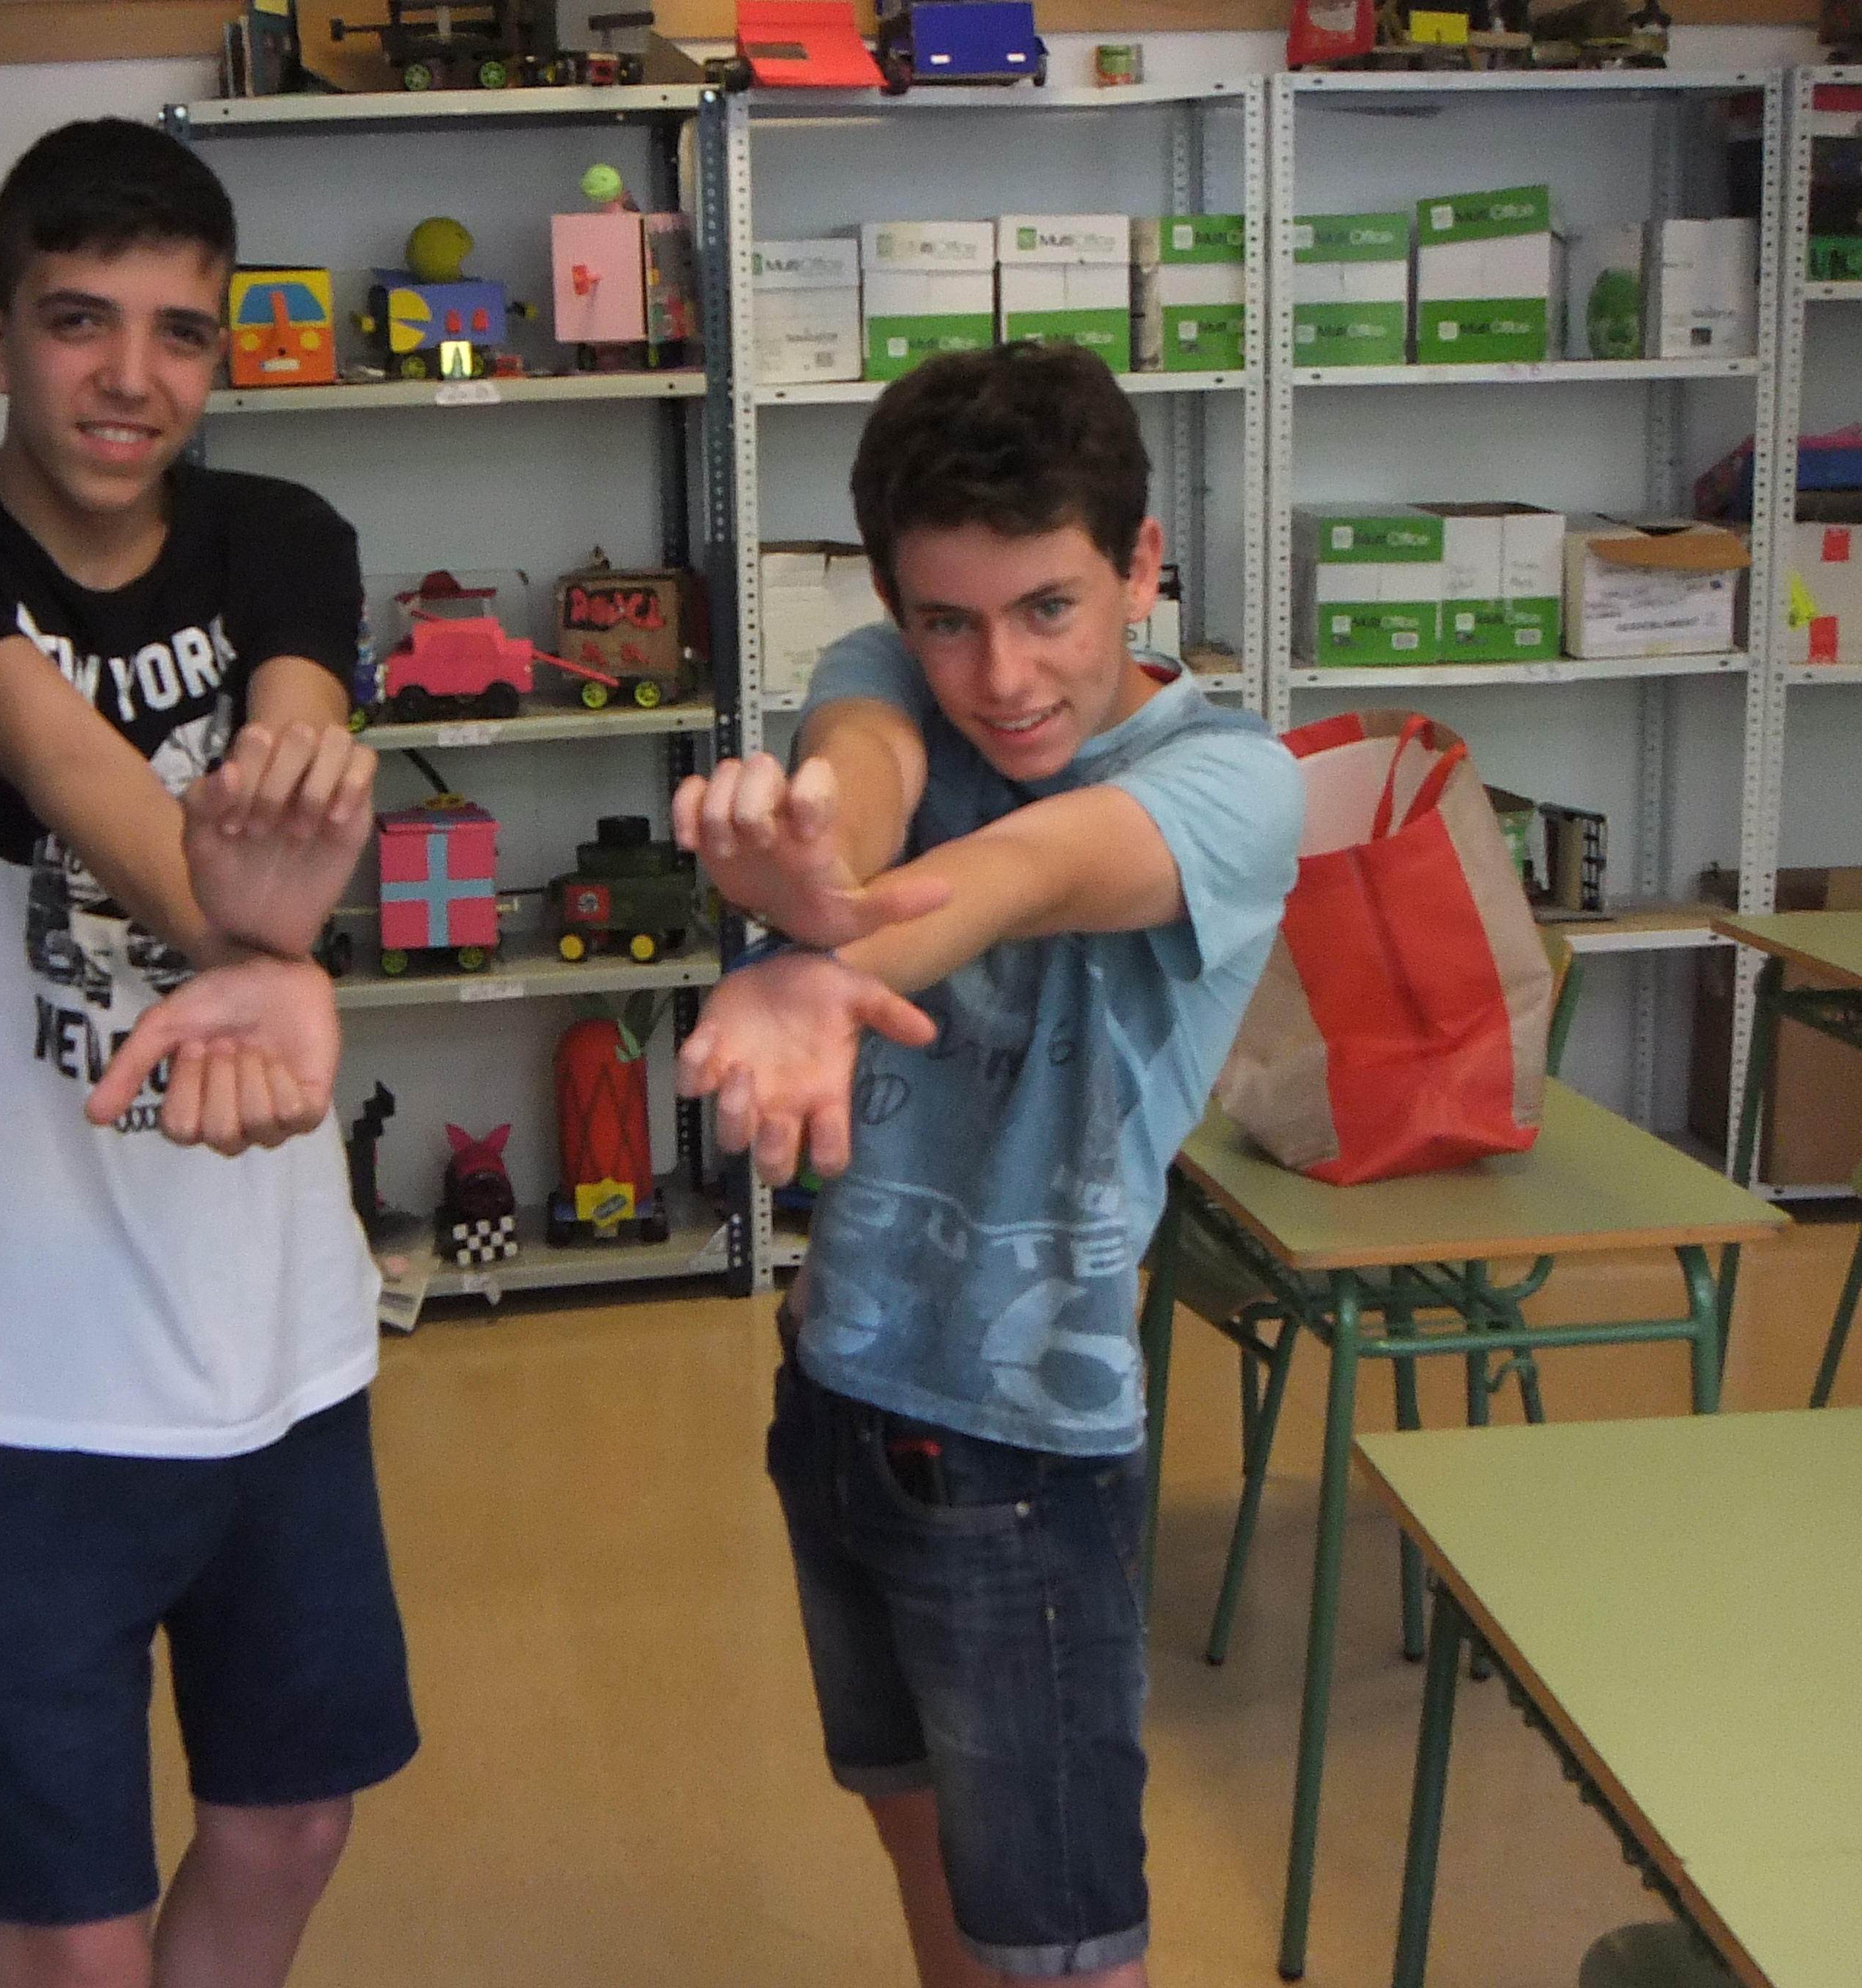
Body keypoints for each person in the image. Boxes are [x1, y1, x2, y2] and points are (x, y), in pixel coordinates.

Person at [0, 118, 416, 1988]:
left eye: (180, 332)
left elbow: (289, 764)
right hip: (20, 1370)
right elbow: (70, 763)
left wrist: (279, 910)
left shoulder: (279, 537)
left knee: (292, 1824)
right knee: (66, 1939)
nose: (131, 376)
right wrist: (261, 949)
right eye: (81, 321)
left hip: (282, 1343)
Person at [671, 339, 1303, 1988]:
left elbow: (1023, 873)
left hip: (1027, 1451)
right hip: (839, 1387)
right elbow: (864, 777)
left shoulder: (1233, 785)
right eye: (949, 621)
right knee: (917, 1835)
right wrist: (813, 858)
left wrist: (817, 954)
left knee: (1062, 1945)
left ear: (1142, 568)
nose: (1002, 676)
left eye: (1050, 609)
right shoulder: (887, 668)